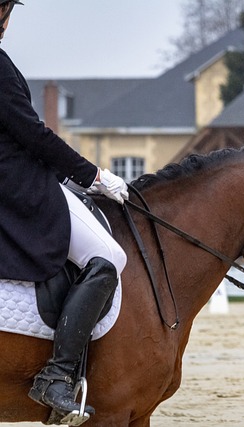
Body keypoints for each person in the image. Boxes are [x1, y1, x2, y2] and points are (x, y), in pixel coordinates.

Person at [0, 1, 128, 418]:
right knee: (110, 257)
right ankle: (57, 375)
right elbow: (33, 135)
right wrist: (92, 175)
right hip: (18, 187)